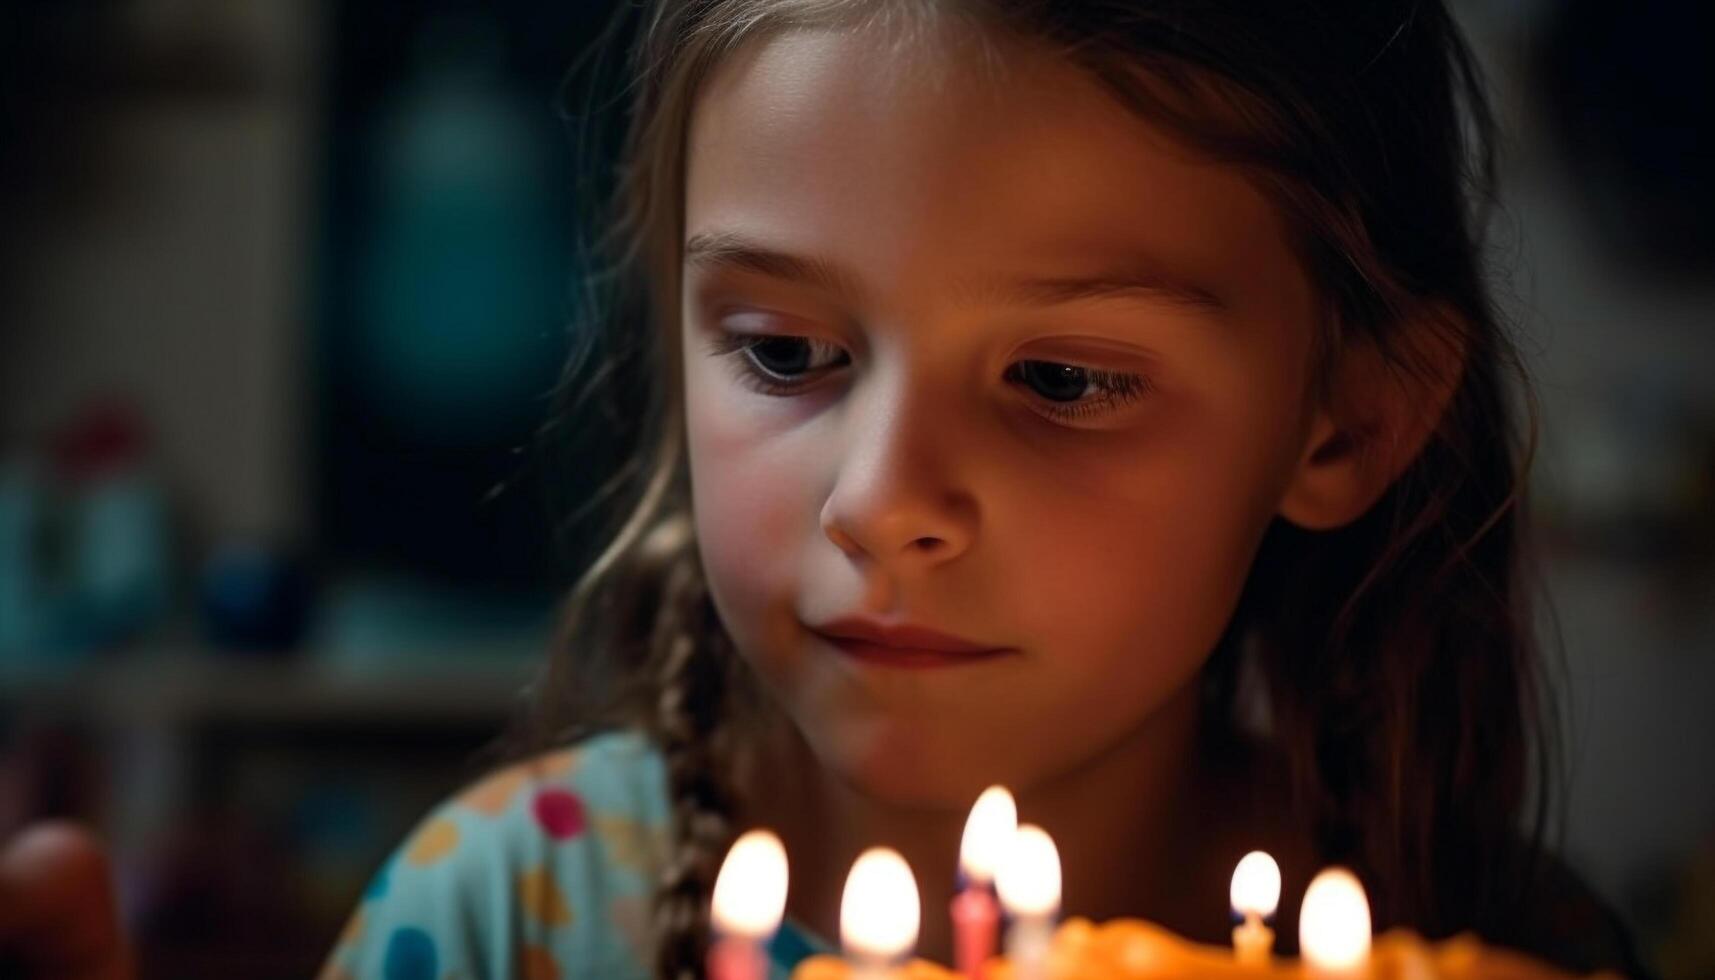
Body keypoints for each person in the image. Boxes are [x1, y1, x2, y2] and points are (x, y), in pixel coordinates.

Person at [0, 1, 1653, 978]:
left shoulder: (1493, 944)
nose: (880, 502)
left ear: (1346, 421)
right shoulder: (516, 916)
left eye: (1065, 381)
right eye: (787, 351)